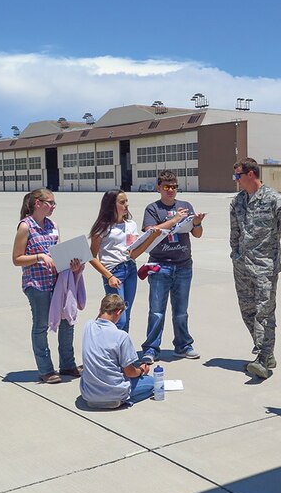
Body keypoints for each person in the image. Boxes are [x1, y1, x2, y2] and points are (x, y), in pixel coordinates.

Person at [230, 157, 281, 379]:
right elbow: (235, 233)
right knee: (248, 311)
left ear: (250, 174)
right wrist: (235, 255)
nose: (236, 180)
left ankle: (263, 357)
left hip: (264, 266)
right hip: (242, 266)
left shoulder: (272, 198)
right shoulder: (238, 201)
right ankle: (265, 351)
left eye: (238, 176)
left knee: (265, 313)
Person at [12, 188, 83, 384]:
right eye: (49, 202)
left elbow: (58, 252)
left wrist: (72, 263)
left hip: (58, 282)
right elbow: (16, 259)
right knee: (41, 325)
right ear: (38, 203)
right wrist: (39, 257)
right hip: (36, 284)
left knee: (67, 321)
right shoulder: (26, 227)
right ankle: (45, 369)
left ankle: (67, 363)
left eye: (54, 203)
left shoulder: (53, 225)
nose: (52, 206)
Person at [140, 170, 205, 363]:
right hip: (160, 266)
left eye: (174, 187)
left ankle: (183, 345)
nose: (171, 190)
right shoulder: (152, 209)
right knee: (157, 311)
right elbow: (149, 231)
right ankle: (151, 348)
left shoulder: (185, 206)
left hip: (183, 266)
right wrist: (174, 220)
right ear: (158, 188)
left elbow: (198, 234)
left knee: (181, 311)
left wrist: (197, 223)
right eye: (167, 187)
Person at [88, 190, 160, 333]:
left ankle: (122, 350)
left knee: (126, 315)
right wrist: (109, 276)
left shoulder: (131, 224)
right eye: (122, 202)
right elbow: (91, 256)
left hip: (130, 269)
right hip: (114, 272)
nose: (126, 205)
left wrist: (152, 237)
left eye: (126, 201)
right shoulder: (103, 227)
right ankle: (103, 345)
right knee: (117, 317)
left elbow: (134, 253)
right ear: (111, 205)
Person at [80, 294, 154, 409]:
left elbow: (97, 319)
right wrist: (141, 370)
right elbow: (130, 372)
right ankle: (124, 400)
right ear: (119, 312)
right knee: (154, 383)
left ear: (100, 309)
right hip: (114, 393)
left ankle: (111, 398)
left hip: (88, 394)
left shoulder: (88, 326)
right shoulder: (121, 336)